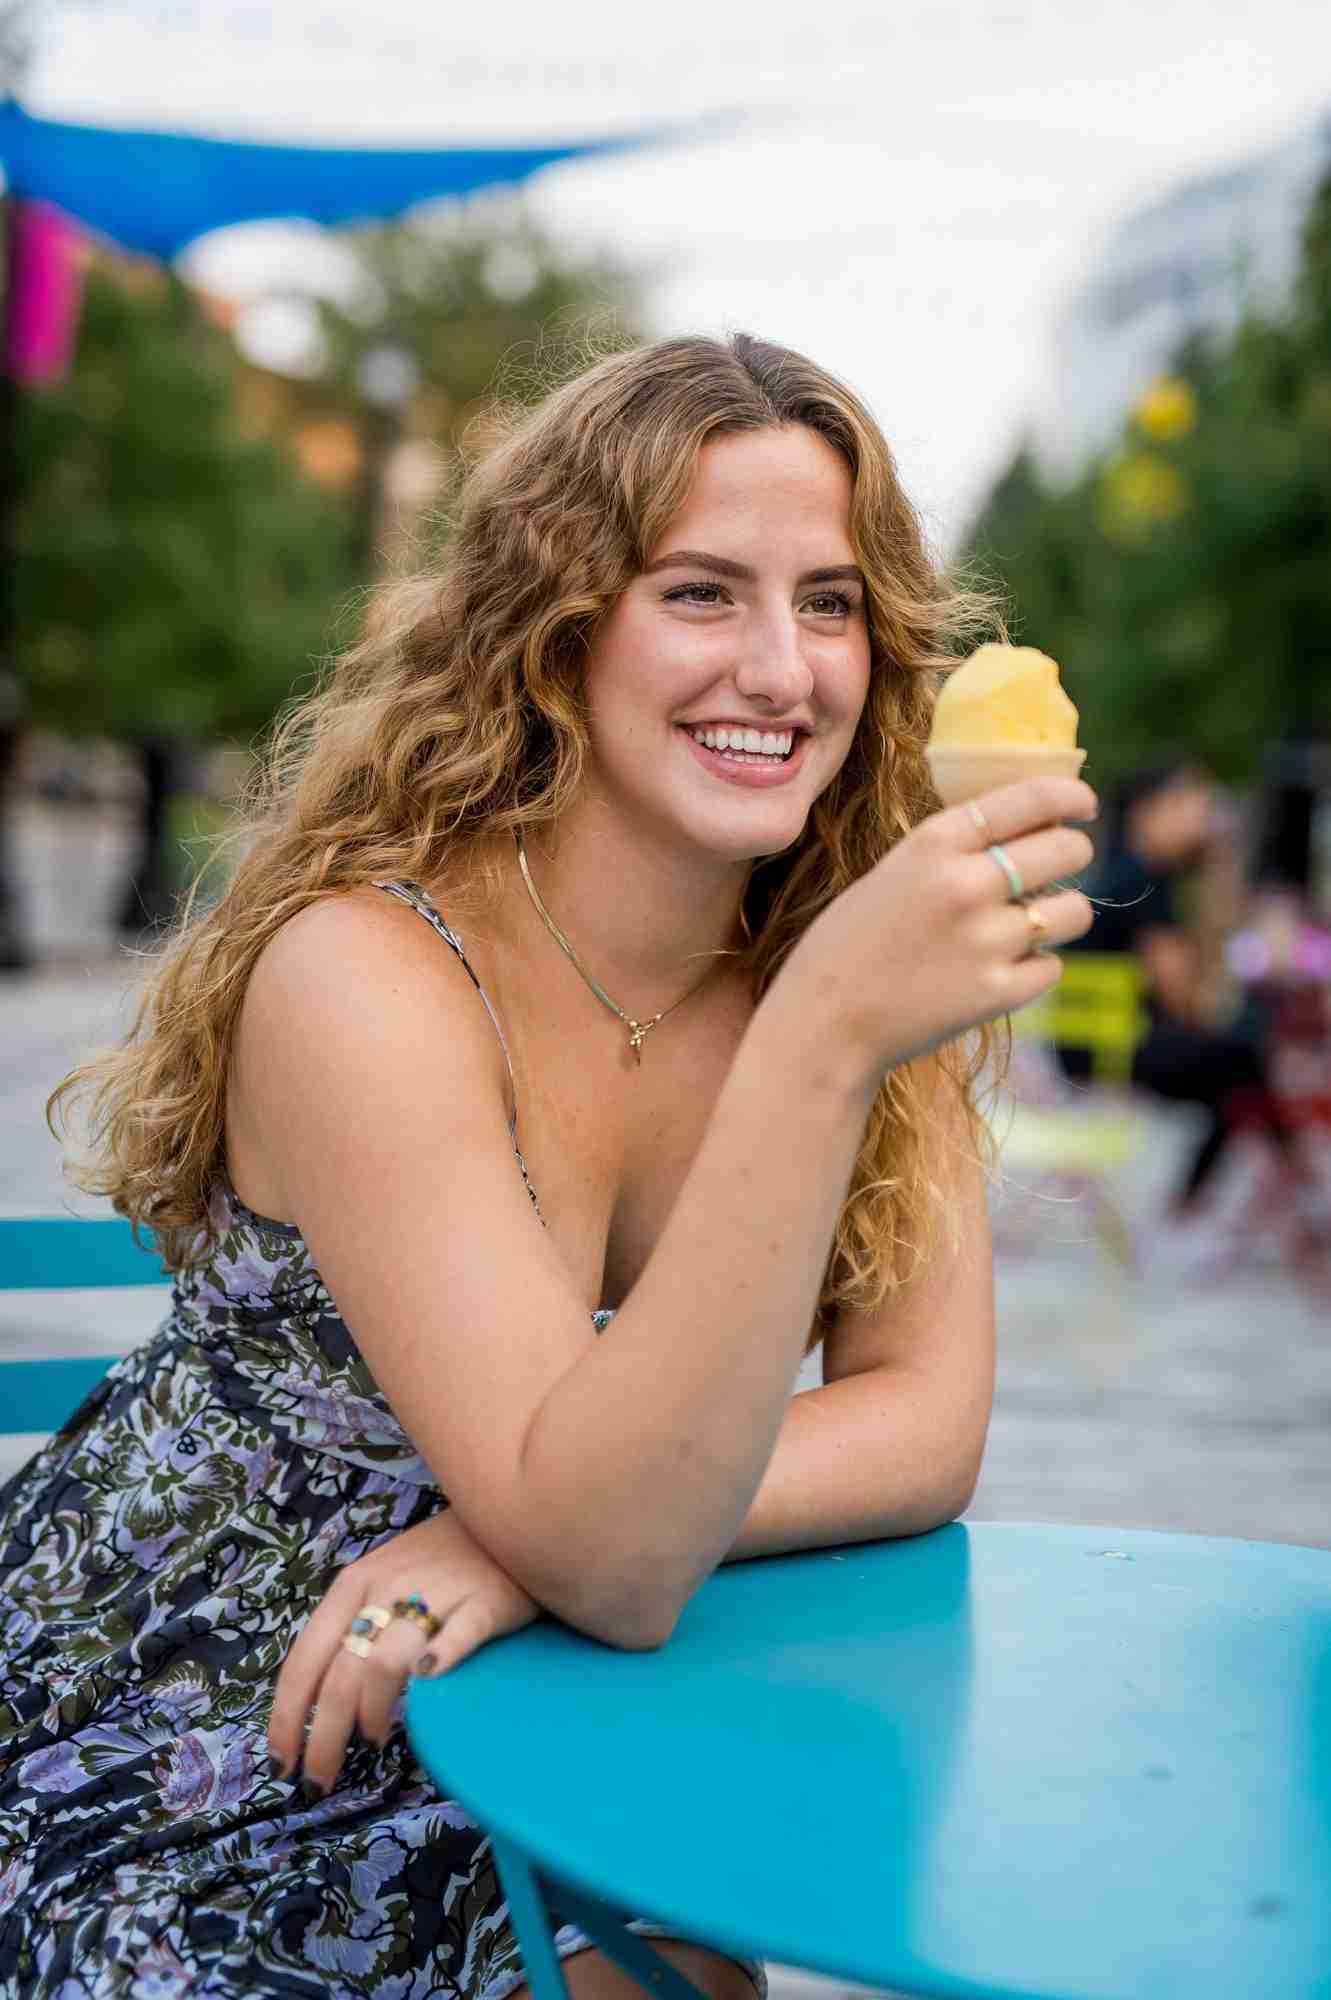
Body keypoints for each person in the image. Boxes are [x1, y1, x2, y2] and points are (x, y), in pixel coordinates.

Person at [0, 332, 1097, 1999]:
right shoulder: (369, 975)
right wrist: (822, 1039)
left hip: (546, 1721)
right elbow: (611, 1548)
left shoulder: (847, 954)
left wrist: (500, 1548)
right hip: (187, 1745)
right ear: (563, 623)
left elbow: (923, 1424)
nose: (781, 669)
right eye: (702, 593)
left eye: (829, 604)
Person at [1057, 759, 1308, 1221]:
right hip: (1111, 1047)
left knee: (1236, 1077)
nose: (1204, 817)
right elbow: (1183, 997)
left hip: (1089, 1043)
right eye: (1193, 801)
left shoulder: (1120, 875)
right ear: (1150, 810)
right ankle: (1287, 1186)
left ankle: (1209, 1203)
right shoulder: (1142, 884)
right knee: (1243, 1058)